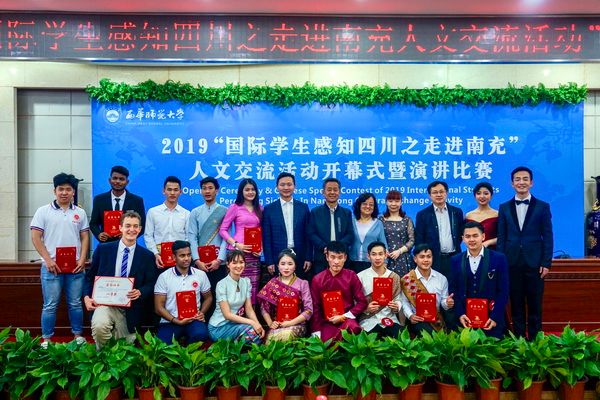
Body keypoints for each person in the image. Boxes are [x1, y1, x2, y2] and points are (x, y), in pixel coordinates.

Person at [30, 173, 89, 347]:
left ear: (73, 192)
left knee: (75, 303)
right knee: (50, 305)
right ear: (54, 191)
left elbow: (85, 237)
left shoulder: (80, 212)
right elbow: (35, 237)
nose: (64, 192)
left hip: (75, 267)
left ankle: (77, 335)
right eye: (61, 189)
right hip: (51, 267)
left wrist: (82, 259)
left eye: (68, 189)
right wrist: (48, 260)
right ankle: (47, 339)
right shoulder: (43, 211)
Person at [84, 211, 157, 348]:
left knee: (125, 348)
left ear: (140, 229)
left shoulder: (147, 256)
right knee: (99, 326)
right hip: (104, 304)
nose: (131, 229)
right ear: (120, 228)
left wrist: (140, 292)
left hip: (131, 309)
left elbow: (151, 283)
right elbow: (89, 277)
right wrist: (87, 297)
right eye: (128, 225)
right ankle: (103, 356)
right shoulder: (103, 250)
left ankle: (110, 353)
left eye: (135, 226)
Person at [497, 166, 553, 339]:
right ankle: (519, 340)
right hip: (512, 262)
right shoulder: (504, 207)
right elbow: (501, 237)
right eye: (517, 179)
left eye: (525, 179)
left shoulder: (542, 207)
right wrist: (501, 263)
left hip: (535, 264)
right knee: (516, 304)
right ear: (512, 183)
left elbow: (548, 236)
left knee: (535, 304)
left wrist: (546, 262)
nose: (521, 182)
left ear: (531, 182)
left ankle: (535, 342)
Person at [449, 222, 509, 338]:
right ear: (463, 239)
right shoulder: (455, 260)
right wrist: (460, 314)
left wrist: (495, 317)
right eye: (467, 236)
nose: (471, 239)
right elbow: (453, 289)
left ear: (483, 236)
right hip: (465, 321)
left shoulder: (499, 258)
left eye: (475, 235)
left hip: (490, 321)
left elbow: (503, 291)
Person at [154, 240, 213, 344]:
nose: (186, 258)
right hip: (170, 321)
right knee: (162, 344)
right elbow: (158, 308)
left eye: (189, 255)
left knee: (201, 335)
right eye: (182, 255)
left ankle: (188, 351)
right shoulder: (164, 277)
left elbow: (208, 298)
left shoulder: (200, 275)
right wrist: (176, 320)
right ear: (174, 257)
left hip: (193, 320)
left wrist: (201, 313)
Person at [310, 241, 367, 342]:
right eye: (332, 257)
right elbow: (315, 307)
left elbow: (362, 302)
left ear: (345, 258)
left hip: (346, 319)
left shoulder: (351, 276)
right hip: (326, 322)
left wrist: (344, 316)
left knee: (353, 328)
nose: (336, 261)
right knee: (325, 341)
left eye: (340, 257)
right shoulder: (317, 279)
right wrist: (316, 331)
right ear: (327, 257)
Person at [219, 178, 263, 305]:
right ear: (241, 192)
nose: (250, 192)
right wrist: (236, 244)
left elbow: (262, 232)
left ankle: (251, 315)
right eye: (247, 189)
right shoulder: (235, 207)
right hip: (237, 253)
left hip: (253, 255)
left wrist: (260, 249)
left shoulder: (260, 209)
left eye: (253, 189)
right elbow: (223, 230)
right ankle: (234, 315)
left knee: (252, 288)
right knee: (235, 288)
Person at [262, 172, 312, 280]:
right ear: (277, 187)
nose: (286, 187)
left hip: (300, 257)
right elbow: (266, 237)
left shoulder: (303, 207)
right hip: (278, 258)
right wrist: (269, 261)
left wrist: (308, 257)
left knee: (299, 287)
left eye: (289, 184)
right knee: (279, 288)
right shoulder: (269, 209)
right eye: (282, 184)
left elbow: (308, 235)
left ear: (294, 186)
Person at [208, 250, 264, 343]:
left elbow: (249, 309)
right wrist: (252, 322)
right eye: (234, 263)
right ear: (228, 264)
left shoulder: (246, 282)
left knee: (256, 332)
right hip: (218, 327)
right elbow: (227, 315)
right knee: (251, 332)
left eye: (241, 262)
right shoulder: (221, 284)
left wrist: (258, 324)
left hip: (235, 324)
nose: (238, 266)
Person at [257, 250, 313, 342]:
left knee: (286, 335)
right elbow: (263, 307)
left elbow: (308, 310)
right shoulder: (272, 284)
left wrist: (290, 323)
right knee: (271, 339)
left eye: (290, 264)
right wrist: (270, 323)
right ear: (278, 266)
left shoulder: (303, 284)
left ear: (295, 266)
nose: (286, 267)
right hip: (277, 325)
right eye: (282, 264)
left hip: (297, 324)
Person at [400, 244, 454, 335]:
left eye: (429, 256)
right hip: (417, 320)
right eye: (422, 257)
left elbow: (443, 302)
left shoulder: (441, 278)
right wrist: (410, 316)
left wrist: (447, 303)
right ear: (415, 259)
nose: (426, 260)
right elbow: (404, 302)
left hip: (437, 320)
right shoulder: (407, 280)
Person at [186, 177, 228, 294]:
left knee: (219, 294)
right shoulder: (195, 212)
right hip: (200, 263)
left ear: (217, 190)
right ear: (201, 191)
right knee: (200, 294)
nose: (207, 191)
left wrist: (219, 260)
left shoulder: (225, 211)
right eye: (204, 188)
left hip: (218, 262)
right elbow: (192, 237)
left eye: (210, 188)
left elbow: (226, 238)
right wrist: (197, 260)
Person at [415, 180, 464, 279]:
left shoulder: (456, 212)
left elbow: (460, 235)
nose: (438, 195)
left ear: (446, 193)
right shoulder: (422, 215)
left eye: (441, 191)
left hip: (454, 257)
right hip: (434, 260)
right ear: (430, 195)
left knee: (454, 285)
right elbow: (419, 239)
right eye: (435, 192)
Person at [307, 178, 355, 274]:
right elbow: (311, 234)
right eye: (329, 189)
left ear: (339, 192)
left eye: (335, 190)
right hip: (321, 258)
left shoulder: (346, 213)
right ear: (323, 192)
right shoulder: (315, 212)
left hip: (341, 259)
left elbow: (350, 234)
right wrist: (324, 247)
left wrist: (338, 248)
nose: (332, 192)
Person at [357, 241, 403, 338]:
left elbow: (399, 299)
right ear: (368, 256)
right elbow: (355, 302)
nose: (377, 258)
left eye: (380, 254)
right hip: (368, 320)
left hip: (390, 318)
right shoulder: (360, 277)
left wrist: (396, 306)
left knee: (400, 339)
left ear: (386, 255)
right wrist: (366, 309)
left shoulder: (394, 277)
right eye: (374, 254)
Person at [89, 165, 146, 242]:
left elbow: (142, 225)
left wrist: (129, 235)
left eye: (121, 179)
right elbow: (93, 223)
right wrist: (99, 234)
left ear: (127, 182)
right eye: (115, 178)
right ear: (110, 180)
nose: (118, 181)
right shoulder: (99, 200)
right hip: (105, 244)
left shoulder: (136, 201)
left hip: (128, 244)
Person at [144, 176, 190, 268]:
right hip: (158, 259)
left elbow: (188, 237)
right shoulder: (153, 212)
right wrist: (156, 254)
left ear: (180, 192)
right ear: (163, 191)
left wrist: (181, 254)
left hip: (179, 260)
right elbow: (148, 236)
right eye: (169, 189)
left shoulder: (186, 214)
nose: (172, 193)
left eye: (176, 190)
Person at [379, 190, 415, 277]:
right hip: (384, 258)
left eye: (397, 201)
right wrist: (384, 251)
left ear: (401, 202)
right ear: (386, 202)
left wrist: (399, 251)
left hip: (404, 259)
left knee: (405, 284)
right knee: (385, 284)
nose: (393, 204)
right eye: (390, 201)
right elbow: (377, 239)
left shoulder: (407, 220)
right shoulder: (380, 220)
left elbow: (412, 240)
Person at [350, 193, 387, 273]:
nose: (368, 206)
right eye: (364, 204)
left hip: (372, 264)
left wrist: (385, 263)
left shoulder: (378, 223)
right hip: (351, 263)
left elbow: (383, 245)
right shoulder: (351, 221)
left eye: (371, 204)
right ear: (359, 205)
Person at [465, 182, 498, 249]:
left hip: (492, 251)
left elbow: (503, 236)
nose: (482, 196)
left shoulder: (497, 214)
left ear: (491, 196)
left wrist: (488, 242)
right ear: (475, 196)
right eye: (478, 193)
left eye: (486, 193)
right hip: (473, 251)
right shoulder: (468, 215)